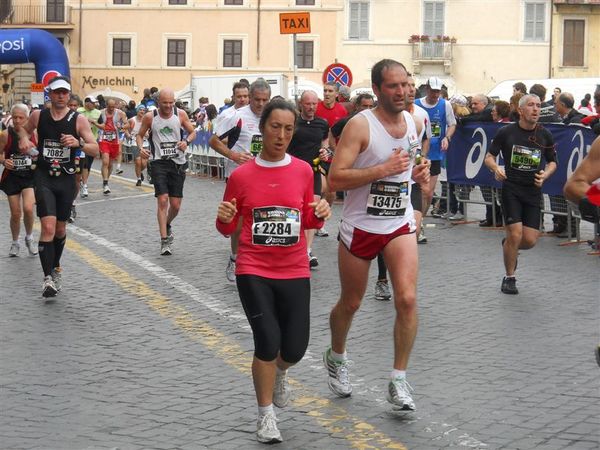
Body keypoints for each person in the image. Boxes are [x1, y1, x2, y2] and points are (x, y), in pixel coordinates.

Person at [216, 99, 331, 444]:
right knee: (267, 340)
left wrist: (321, 211)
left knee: (294, 348)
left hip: (294, 268)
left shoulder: (302, 171)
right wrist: (224, 220)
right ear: (262, 128)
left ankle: (281, 371)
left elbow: (308, 218)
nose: (281, 135)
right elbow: (228, 227)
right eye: (275, 127)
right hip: (253, 267)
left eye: (288, 129)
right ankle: (266, 415)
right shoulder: (241, 175)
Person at [323, 59, 430, 412]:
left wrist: (418, 172)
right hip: (361, 225)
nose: (402, 92)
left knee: (408, 299)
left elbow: (408, 170)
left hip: (398, 222)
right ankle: (337, 355)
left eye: (405, 85)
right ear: (378, 89)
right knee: (351, 302)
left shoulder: (414, 123)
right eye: (393, 86)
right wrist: (383, 169)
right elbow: (335, 180)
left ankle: (398, 380)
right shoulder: (359, 126)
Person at [17, 76, 99, 297]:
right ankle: (47, 279)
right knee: (48, 227)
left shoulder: (78, 120)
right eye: (57, 92)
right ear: (50, 94)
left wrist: (78, 143)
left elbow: (95, 149)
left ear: (68, 95)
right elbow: (22, 130)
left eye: (65, 92)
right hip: (43, 176)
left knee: (61, 229)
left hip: (66, 179)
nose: (61, 96)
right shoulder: (39, 115)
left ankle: (55, 267)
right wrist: (24, 139)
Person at [484, 94, 557, 295]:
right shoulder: (506, 132)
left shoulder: (545, 135)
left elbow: (553, 162)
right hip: (512, 189)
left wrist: (545, 176)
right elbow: (489, 157)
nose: (536, 109)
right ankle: (509, 278)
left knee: (530, 240)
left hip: (533, 191)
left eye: (539, 106)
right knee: (515, 233)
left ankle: (509, 246)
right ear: (521, 110)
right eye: (531, 106)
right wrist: (496, 169)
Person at [210, 79, 271, 281]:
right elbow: (213, 141)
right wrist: (233, 156)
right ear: (250, 98)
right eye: (257, 100)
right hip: (239, 176)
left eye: (265, 100)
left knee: (264, 218)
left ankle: (259, 259)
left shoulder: (272, 116)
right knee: (238, 222)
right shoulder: (237, 117)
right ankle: (235, 257)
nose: (261, 104)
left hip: (265, 176)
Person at [137, 88, 196, 256]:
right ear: (158, 103)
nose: (169, 106)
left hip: (177, 163)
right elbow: (140, 135)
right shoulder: (150, 117)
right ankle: (164, 240)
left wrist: (186, 141)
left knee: (175, 206)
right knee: (163, 200)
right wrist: (141, 148)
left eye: (171, 102)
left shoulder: (181, 114)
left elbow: (192, 132)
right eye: (165, 103)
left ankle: (168, 224)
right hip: (158, 163)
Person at [287, 90, 329, 268]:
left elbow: (326, 141)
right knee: (296, 211)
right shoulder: (294, 122)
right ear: (300, 104)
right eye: (307, 104)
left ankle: (307, 251)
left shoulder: (322, 124)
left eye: (314, 104)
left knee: (312, 211)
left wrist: (325, 151)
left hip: (313, 171)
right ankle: (294, 246)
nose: (311, 107)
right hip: (294, 173)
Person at [415, 76, 456, 242]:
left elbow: (452, 124)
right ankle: (415, 224)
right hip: (417, 153)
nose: (435, 95)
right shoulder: (416, 104)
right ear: (427, 89)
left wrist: (447, 137)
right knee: (417, 189)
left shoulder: (445, 104)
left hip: (435, 154)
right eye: (432, 91)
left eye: (438, 92)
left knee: (428, 192)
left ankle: (420, 222)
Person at [0, 104, 38, 257]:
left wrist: (36, 154)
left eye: (20, 117)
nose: (16, 120)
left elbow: (41, 152)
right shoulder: (5, 134)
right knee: (16, 213)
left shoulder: (35, 133)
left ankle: (29, 237)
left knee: (28, 208)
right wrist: (4, 162)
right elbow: (0, 153)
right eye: (14, 117)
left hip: (30, 176)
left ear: (27, 118)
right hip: (12, 177)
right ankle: (15, 242)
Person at [96, 99, 128, 194]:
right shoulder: (101, 113)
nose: (111, 109)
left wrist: (122, 127)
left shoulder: (120, 113)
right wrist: (96, 124)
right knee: (105, 162)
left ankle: (106, 180)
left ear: (116, 106)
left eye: (113, 107)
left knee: (110, 164)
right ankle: (105, 183)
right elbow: (97, 123)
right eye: (109, 106)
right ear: (106, 105)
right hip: (104, 139)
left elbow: (128, 124)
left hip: (115, 140)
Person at [77, 96, 102, 198]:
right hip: (80, 141)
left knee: (88, 165)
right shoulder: (79, 111)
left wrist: (94, 122)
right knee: (83, 164)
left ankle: (84, 183)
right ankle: (84, 185)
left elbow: (103, 125)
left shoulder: (98, 113)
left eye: (95, 103)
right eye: (92, 103)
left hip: (92, 141)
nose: (94, 104)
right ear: (87, 103)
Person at [125, 105, 149, 186]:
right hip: (135, 142)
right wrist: (128, 134)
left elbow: (150, 130)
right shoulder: (132, 120)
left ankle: (140, 172)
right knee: (138, 162)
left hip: (145, 142)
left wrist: (147, 134)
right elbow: (125, 128)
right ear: (137, 111)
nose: (142, 111)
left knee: (144, 163)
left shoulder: (147, 119)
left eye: (143, 110)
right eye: (140, 110)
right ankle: (139, 179)